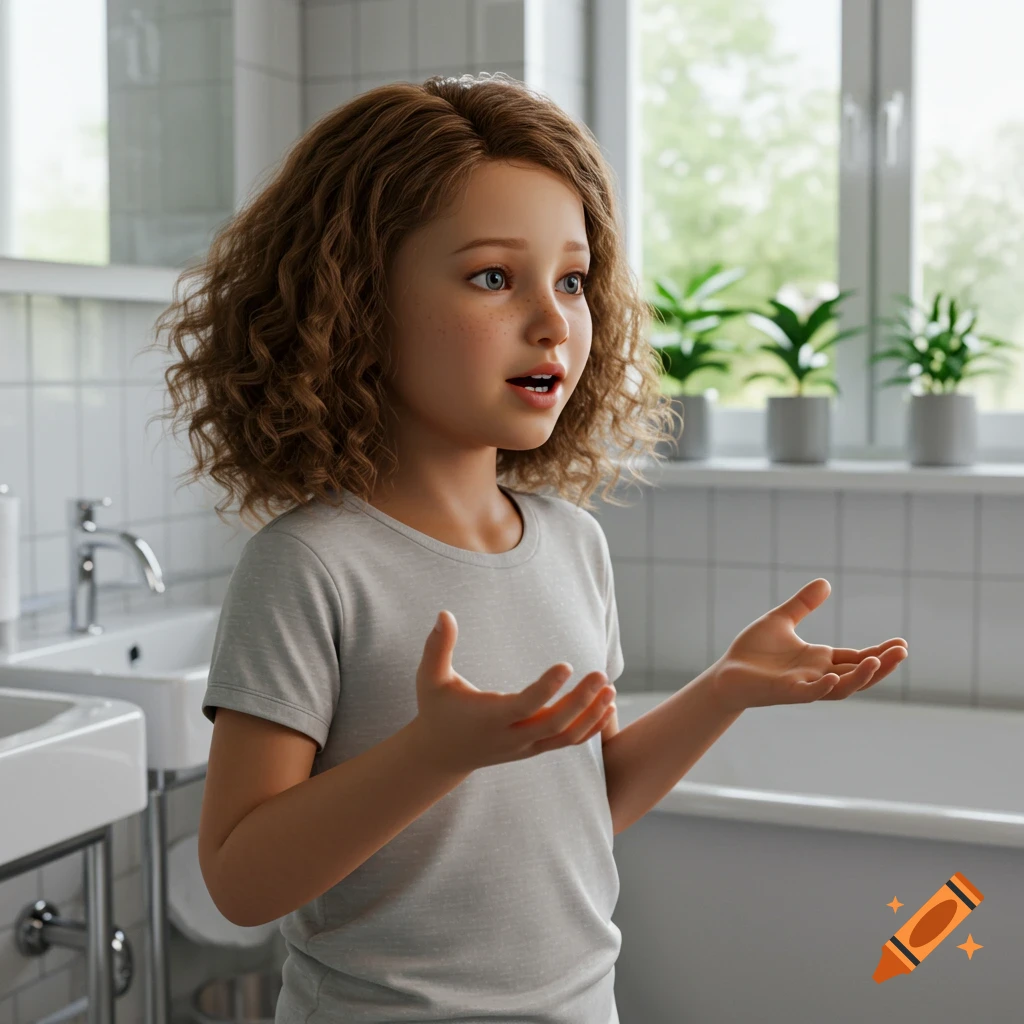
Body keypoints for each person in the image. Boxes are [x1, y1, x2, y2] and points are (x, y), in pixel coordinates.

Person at [152, 72, 908, 1024]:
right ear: (353, 303)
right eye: (493, 277)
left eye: (574, 280)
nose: (554, 321)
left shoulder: (571, 544)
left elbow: (578, 810)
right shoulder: (312, 566)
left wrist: (726, 688)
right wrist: (433, 753)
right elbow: (241, 880)